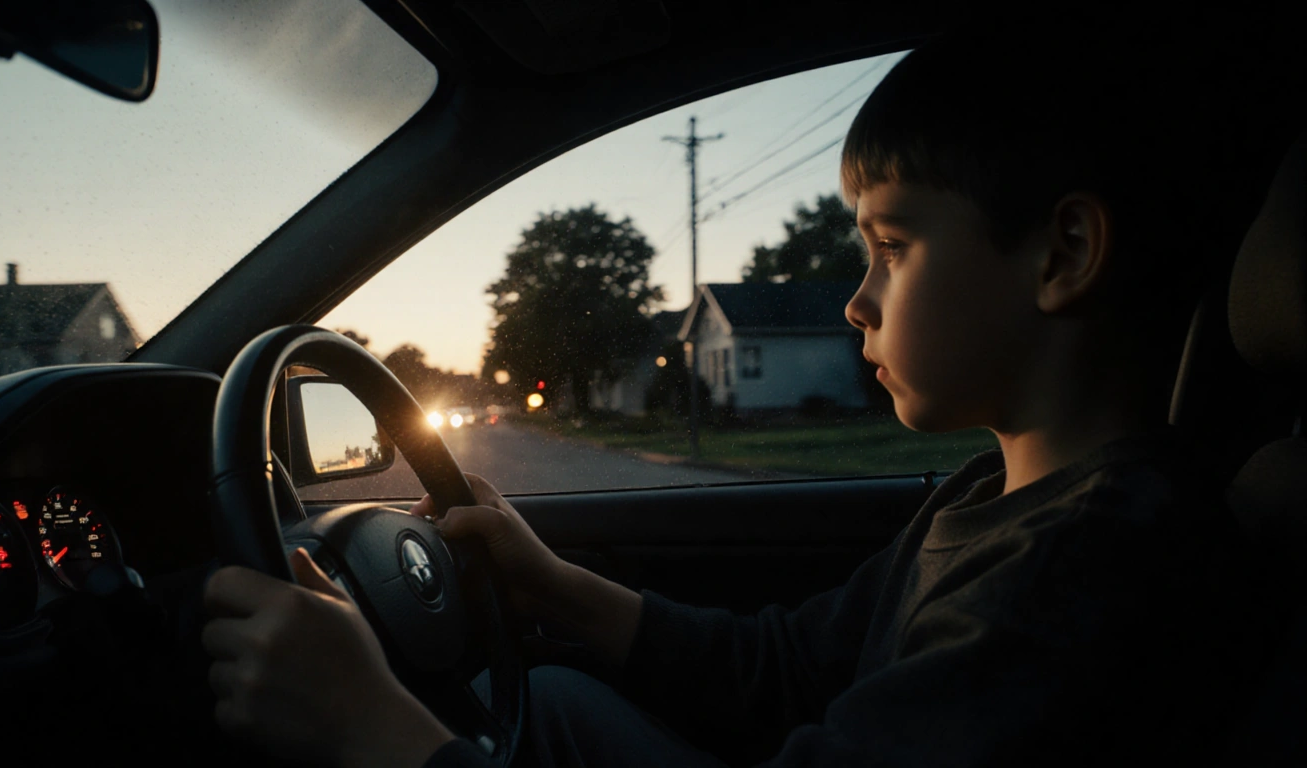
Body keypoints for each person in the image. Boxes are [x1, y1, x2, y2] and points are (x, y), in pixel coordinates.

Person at [201, 20, 1249, 768]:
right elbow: (788, 670)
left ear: (1062, 253)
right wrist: (557, 586)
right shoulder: (991, 499)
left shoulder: (1085, 575)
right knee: (552, 703)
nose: (856, 302)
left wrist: (374, 731)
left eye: (891, 248)